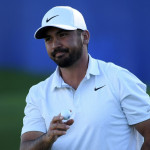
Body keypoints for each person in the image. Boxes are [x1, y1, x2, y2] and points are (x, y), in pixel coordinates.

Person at [20, 6, 150, 150]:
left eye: (62, 35)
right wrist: (47, 138)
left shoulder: (118, 78)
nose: (55, 45)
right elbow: (25, 147)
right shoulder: (38, 93)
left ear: (85, 37)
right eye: (48, 39)